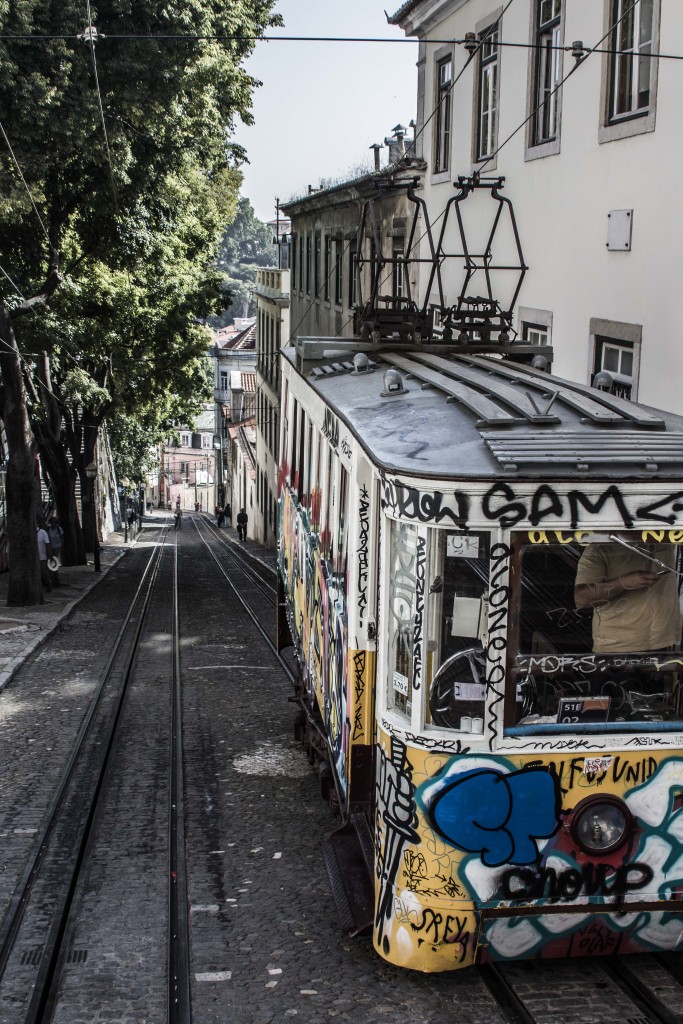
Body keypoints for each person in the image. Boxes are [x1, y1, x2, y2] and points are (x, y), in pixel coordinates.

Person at [574, 540, 681, 654]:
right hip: (618, 647)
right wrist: (623, 583)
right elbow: (582, 599)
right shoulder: (599, 548)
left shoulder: (663, 540)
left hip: (664, 642)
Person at [46, 514, 63, 587]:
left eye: (54, 523)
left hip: (57, 547)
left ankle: (55, 577)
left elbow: (62, 538)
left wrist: (62, 546)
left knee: (55, 561)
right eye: (52, 522)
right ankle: (51, 577)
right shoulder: (48, 529)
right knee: (49, 561)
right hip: (50, 547)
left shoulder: (59, 529)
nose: (53, 524)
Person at [36, 523, 53, 592]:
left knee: (43, 572)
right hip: (33, 558)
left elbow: (47, 543)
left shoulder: (42, 532)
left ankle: (48, 584)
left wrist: (50, 554)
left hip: (42, 556)